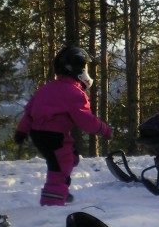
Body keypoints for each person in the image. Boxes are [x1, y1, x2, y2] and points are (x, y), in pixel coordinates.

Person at [14, 45, 112, 206]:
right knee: (60, 165)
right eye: (84, 68)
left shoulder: (46, 89)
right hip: (54, 135)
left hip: (38, 133)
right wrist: (104, 130)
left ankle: (59, 191)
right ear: (76, 69)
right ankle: (52, 201)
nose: (86, 73)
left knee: (68, 158)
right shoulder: (74, 93)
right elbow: (85, 120)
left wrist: (22, 131)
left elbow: (29, 112)